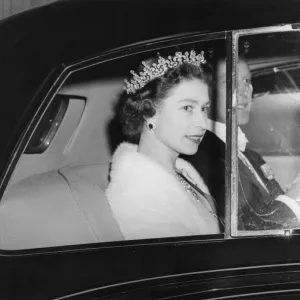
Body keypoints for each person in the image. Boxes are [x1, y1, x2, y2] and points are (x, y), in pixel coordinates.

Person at [105, 50, 221, 240]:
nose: (202, 123)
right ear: (149, 112)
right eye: (187, 108)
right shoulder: (138, 194)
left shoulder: (183, 173)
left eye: (204, 109)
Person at [184, 57, 300, 230]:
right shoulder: (202, 155)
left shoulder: (252, 155)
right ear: (208, 92)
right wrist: (294, 198)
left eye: (247, 80)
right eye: (230, 81)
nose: (245, 91)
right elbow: (246, 233)